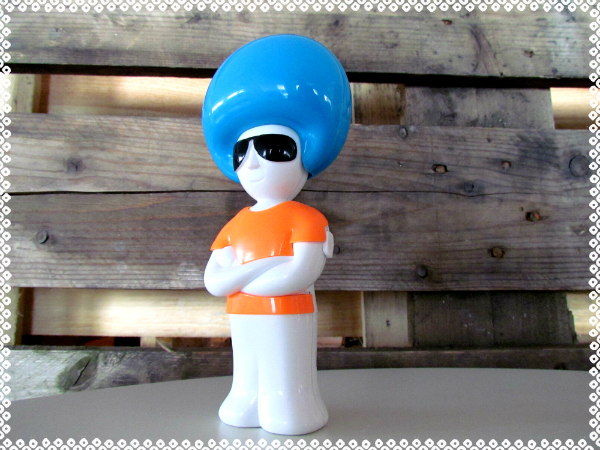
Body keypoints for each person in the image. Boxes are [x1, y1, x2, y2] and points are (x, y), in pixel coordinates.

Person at [202, 35, 352, 435]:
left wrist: (243, 280)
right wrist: (259, 270)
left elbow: (300, 273)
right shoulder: (236, 223)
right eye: (242, 151)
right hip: (241, 314)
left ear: (306, 152)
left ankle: (292, 405)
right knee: (247, 366)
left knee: (286, 367)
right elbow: (214, 281)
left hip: (288, 312)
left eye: (271, 147)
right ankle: (245, 399)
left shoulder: (307, 218)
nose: (252, 162)